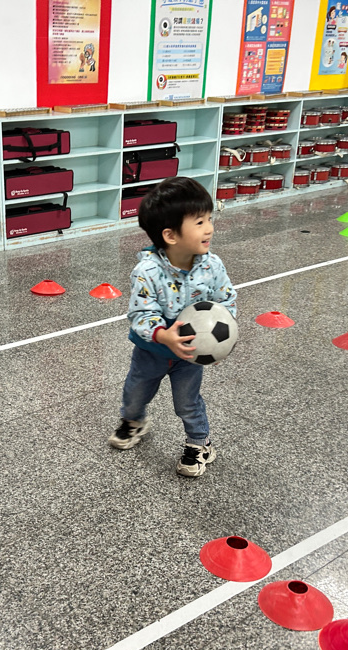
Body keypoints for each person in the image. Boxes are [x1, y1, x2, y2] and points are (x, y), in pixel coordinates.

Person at [108, 177, 238, 477]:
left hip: (190, 354)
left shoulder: (212, 266)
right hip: (150, 350)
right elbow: (141, 313)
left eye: (209, 219)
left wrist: (223, 340)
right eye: (199, 222)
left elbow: (226, 300)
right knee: (135, 394)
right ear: (170, 235)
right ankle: (134, 421)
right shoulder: (147, 271)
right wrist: (163, 335)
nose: (209, 228)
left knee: (187, 403)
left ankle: (199, 443)